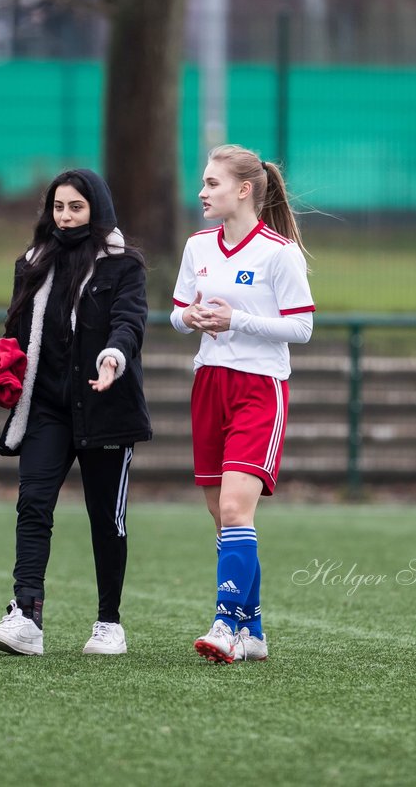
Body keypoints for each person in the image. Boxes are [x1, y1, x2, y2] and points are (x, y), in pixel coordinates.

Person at [0, 168, 151, 657]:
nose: (67, 216)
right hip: (46, 408)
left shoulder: (125, 265)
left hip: (106, 408)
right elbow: (14, 332)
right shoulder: (31, 262)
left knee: (106, 520)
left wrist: (113, 357)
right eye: (59, 207)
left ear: (97, 209)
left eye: (77, 207)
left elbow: (130, 322)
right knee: (33, 505)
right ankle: (26, 618)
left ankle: (108, 623)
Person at [170, 145, 315, 664]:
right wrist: (191, 320)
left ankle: (226, 624)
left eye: (212, 183)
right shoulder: (198, 246)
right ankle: (253, 631)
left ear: (244, 189)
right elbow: (177, 311)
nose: (202, 192)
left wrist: (238, 320)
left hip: (259, 389)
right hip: (209, 383)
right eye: (203, 183)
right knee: (220, 513)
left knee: (235, 508)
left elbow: (301, 327)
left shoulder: (279, 252)